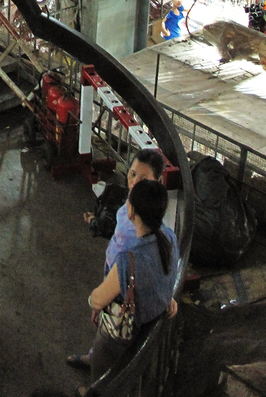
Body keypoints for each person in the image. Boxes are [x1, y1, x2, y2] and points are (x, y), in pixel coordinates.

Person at [70, 148, 165, 367]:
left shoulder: (142, 239)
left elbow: (101, 296)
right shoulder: (132, 210)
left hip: (123, 296)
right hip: (115, 279)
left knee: (112, 341)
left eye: (143, 179)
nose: (134, 182)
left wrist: (99, 302)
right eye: (132, 174)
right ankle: (96, 357)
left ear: (157, 182)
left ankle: (97, 380)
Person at [81, 179, 179, 391]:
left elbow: (99, 298)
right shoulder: (170, 238)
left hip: (124, 333)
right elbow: (166, 274)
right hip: (151, 326)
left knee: (104, 373)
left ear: (132, 212)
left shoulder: (130, 259)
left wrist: (93, 302)